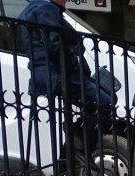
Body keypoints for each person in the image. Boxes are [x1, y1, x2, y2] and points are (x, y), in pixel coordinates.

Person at [17, 0, 116, 147]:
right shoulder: (46, 9)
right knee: (107, 101)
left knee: (96, 101)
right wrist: (75, 62)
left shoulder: (35, 9)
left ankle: (78, 137)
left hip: (46, 74)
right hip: (58, 75)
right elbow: (56, 45)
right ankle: (81, 141)